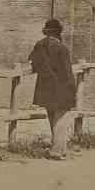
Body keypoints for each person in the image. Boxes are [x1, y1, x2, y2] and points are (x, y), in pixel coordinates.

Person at [29, 18, 76, 159]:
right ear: (58, 33)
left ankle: (60, 149)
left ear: (46, 32)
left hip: (45, 88)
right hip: (61, 88)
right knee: (61, 119)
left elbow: (32, 62)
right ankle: (57, 151)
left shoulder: (39, 45)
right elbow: (67, 72)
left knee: (52, 118)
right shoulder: (62, 48)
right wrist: (72, 90)